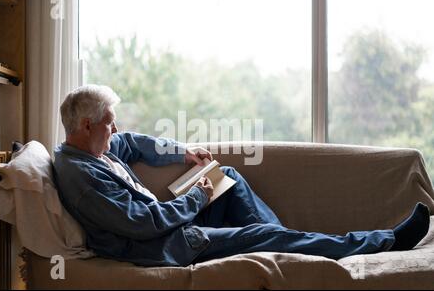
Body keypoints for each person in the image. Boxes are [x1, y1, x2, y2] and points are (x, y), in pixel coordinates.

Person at [53, 84, 431, 267]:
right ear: (86, 125)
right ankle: (382, 242)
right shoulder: (82, 176)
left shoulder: (93, 150)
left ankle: (290, 248)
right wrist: (197, 197)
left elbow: (133, 143)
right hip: (165, 245)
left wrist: (181, 151)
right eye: (109, 123)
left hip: (171, 226)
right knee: (262, 232)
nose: (115, 130)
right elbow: (142, 223)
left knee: (227, 177)